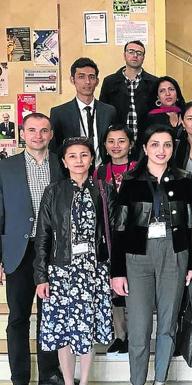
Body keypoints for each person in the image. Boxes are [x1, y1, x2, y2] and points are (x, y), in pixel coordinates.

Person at [110, 124, 192, 385]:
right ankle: (137, 381)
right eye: (155, 144)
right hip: (138, 256)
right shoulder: (131, 180)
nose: (162, 150)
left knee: (168, 323)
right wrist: (117, 272)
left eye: (167, 145)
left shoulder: (183, 179)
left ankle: (160, 380)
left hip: (174, 253)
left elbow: (191, 225)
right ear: (145, 148)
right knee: (139, 326)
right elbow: (119, 228)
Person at [34, 137, 114, 385]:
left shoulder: (103, 190)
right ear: (64, 161)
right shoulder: (54, 191)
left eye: (84, 155)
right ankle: (69, 381)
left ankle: (86, 380)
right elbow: (43, 235)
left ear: (92, 159)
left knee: (86, 330)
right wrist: (41, 277)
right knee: (63, 332)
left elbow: (112, 231)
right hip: (61, 271)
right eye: (72, 156)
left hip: (93, 270)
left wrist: (113, 270)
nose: (79, 161)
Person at [0, 113, 64, 385]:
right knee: (18, 318)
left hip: (53, 250)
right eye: (32, 130)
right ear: (23, 133)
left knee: (50, 316)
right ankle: (20, 377)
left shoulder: (62, 164)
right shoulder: (6, 167)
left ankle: (50, 375)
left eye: (44, 130)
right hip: (19, 251)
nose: (38, 135)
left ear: (51, 134)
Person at [92, 124, 138, 356]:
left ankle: (136, 334)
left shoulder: (140, 169)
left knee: (135, 287)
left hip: (135, 236)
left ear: (130, 143)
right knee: (114, 289)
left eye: (122, 141)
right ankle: (120, 335)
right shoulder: (99, 173)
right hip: (108, 237)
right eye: (111, 141)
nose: (116, 146)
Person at [50, 57, 117, 163]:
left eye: (92, 77)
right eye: (81, 77)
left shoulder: (109, 111)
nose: (87, 82)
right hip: (72, 173)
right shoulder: (59, 113)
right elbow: (54, 150)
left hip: (103, 172)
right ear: (72, 80)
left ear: (97, 81)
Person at [99, 40, 159, 157]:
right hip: (118, 146)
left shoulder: (154, 82)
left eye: (139, 53)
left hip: (145, 143)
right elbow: (103, 113)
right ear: (124, 55)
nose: (135, 55)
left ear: (143, 57)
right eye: (131, 51)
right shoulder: (110, 82)